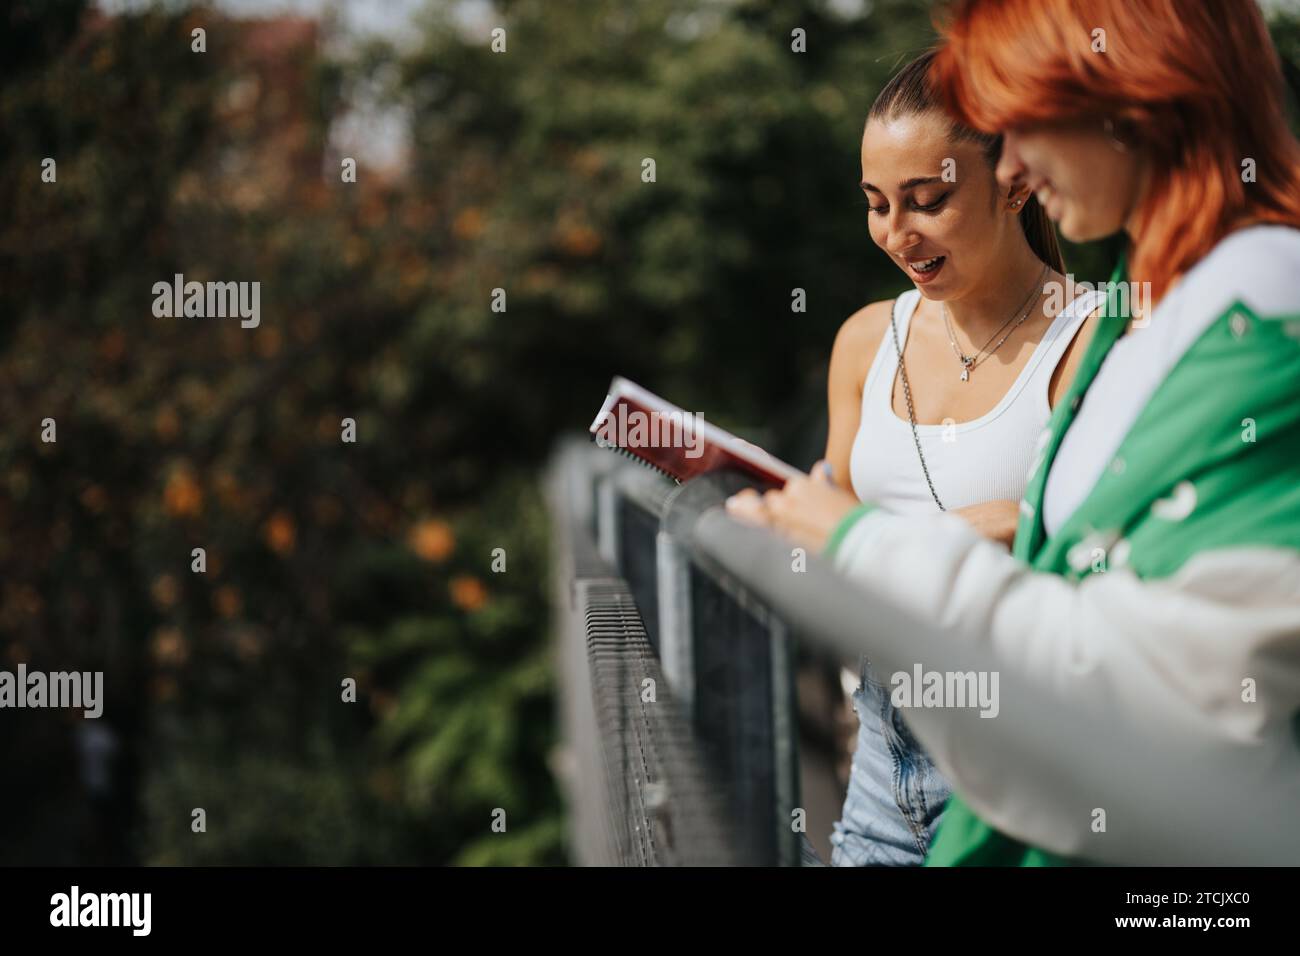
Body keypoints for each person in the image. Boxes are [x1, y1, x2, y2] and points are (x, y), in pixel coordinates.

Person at [729, 0, 1300, 864]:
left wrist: (862, 545)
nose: (1018, 161)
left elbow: (1161, 699)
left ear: (1129, 94)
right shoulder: (1147, 311)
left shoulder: (1261, 319)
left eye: (1023, 117)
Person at [822, 49, 1102, 866]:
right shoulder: (865, 340)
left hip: (1026, 766)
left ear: (1014, 178)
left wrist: (1016, 529)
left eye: (928, 200)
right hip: (881, 758)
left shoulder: (1087, 343)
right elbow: (835, 530)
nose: (896, 233)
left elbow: (1126, 568)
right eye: (876, 205)